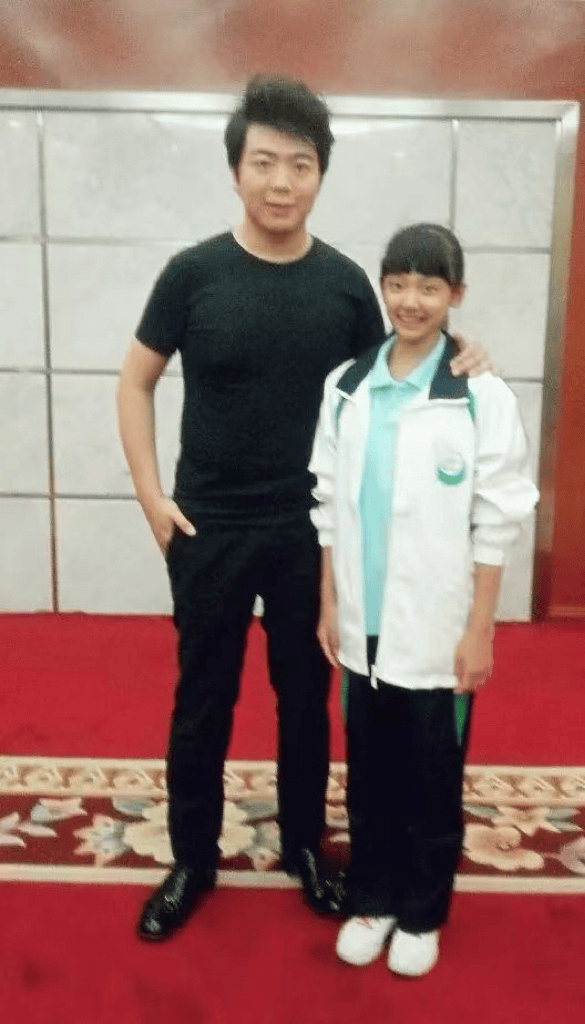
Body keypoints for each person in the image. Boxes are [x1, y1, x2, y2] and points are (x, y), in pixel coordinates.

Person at [117, 78, 488, 943]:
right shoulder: (192, 274)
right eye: (263, 162)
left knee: (304, 700)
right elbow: (135, 380)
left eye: (299, 164)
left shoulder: (345, 284)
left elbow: (397, 365)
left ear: (319, 174)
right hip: (208, 527)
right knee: (202, 698)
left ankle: (303, 850)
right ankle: (191, 859)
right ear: (235, 170)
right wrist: (151, 497)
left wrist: (463, 352)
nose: (280, 181)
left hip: (310, 534)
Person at [310, 223, 538, 977]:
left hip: (438, 628)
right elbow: (327, 504)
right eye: (398, 284)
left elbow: (497, 516)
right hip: (363, 625)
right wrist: (329, 602)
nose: (411, 300)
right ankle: (373, 898)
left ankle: (421, 909)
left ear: (455, 295)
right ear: (383, 287)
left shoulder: (479, 396)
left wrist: (480, 628)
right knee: (370, 772)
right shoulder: (346, 387)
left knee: (433, 777)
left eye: (429, 287)